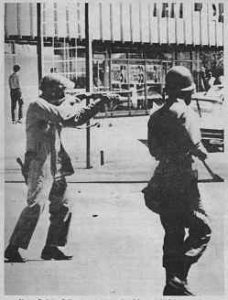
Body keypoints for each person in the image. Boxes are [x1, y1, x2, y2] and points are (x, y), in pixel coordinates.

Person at [5, 73, 113, 263]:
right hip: (39, 162)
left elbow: (68, 113)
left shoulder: (53, 105)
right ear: (51, 89)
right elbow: (71, 118)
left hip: (55, 162)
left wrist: (83, 99)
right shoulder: (38, 105)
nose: (65, 93)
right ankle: (14, 247)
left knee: (63, 205)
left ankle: (52, 247)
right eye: (62, 89)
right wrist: (96, 103)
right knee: (36, 204)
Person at [143, 66, 211, 296]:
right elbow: (197, 146)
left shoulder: (156, 115)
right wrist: (203, 154)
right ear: (187, 92)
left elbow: (153, 150)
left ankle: (172, 283)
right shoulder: (187, 113)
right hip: (183, 178)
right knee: (202, 229)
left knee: (172, 231)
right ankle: (178, 275)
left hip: (162, 178)